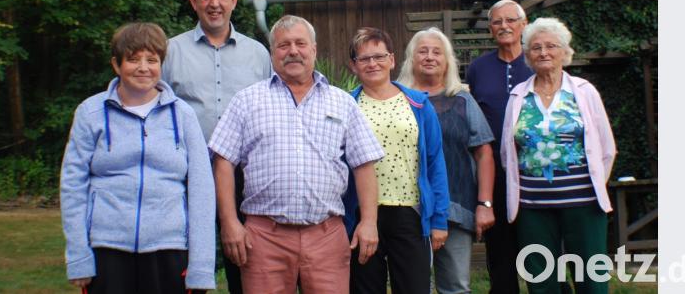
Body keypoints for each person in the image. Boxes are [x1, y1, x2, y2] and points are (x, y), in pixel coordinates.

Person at [208, 15, 385, 294]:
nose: (293, 51)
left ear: (314, 50)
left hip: (327, 235)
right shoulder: (246, 101)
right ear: (272, 53)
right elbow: (223, 162)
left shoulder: (342, 102)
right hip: (263, 237)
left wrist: (369, 222)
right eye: (283, 45)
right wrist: (229, 222)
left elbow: (364, 165)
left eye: (300, 43)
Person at [60, 22, 216, 294]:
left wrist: (201, 266)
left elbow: (202, 191)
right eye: (133, 59)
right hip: (107, 250)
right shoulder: (90, 113)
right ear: (116, 65)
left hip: (169, 250)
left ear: (161, 65)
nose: (143, 67)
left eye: (152, 60)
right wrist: (78, 257)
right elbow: (73, 187)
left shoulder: (183, 115)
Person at [162, 0, 271, 294]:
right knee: (187, 260)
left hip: (245, 176)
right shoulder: (170, 52)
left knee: (245, 260)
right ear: (193, 2)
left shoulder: (258, 54)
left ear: (234, 1)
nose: (214, 3)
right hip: (187, 175)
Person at [501, 17, 616, 294]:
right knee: (541, 281)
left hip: (584, 204)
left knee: (592, 279)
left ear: (565, 52)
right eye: (536, 47)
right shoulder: (518, 95)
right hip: (532, 206)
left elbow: (606, 148)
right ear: (527, 55)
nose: (544, 53)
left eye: (551, 46)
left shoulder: (584, 92)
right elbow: (508, 152)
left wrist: (593, 184)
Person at [344, 27, 449, 294]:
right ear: (353, 66)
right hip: (363, 215)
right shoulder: (346, 106)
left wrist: (439, 220)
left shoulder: (417, 105)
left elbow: (435, 163)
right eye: (364, 58)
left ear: (391, 60)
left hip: (409, 213)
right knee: (365, 288)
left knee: (414, 287)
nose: (372, 63)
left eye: (379, 56)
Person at [397, 27, 496, 294]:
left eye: (437, 52)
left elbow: (484, 151)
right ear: (411, 59)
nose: (430, 57)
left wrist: (484, 203)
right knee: (413, 287)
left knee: (456, 287)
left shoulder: (463, 100)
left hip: (457, 205)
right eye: (423, 51)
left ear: (447, 60)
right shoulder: (397, 100)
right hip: (409, 210)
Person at [466, 0, 534, 294]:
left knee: (541, 250)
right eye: (496, 21)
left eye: (510, 20)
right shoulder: (478, 68)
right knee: (500, 253)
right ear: (491, 29)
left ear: (524, 24)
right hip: (493, 172)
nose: (503, 26)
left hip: (533, 173)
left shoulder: (537, 61)